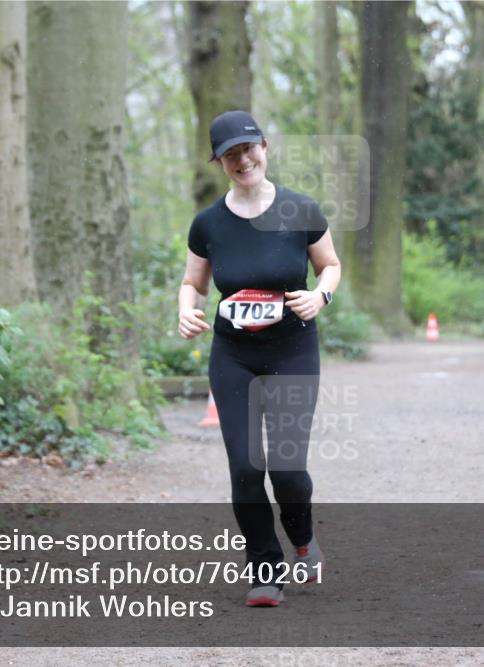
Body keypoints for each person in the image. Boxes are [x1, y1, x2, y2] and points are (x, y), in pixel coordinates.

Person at [177, 110, 342, 607]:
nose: (242, 160)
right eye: (230, 155)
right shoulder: (208, 224)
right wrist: (187, 311)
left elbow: (330, 266)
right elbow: (193, 283)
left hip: (293, 350)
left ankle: (303, 539)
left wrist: (321, 297)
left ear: (265, 147)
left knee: (288, 470)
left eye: (249, 149)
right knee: (246, 469)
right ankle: (265, 570)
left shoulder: (301, 209)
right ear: (220, 163)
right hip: (234, 356)